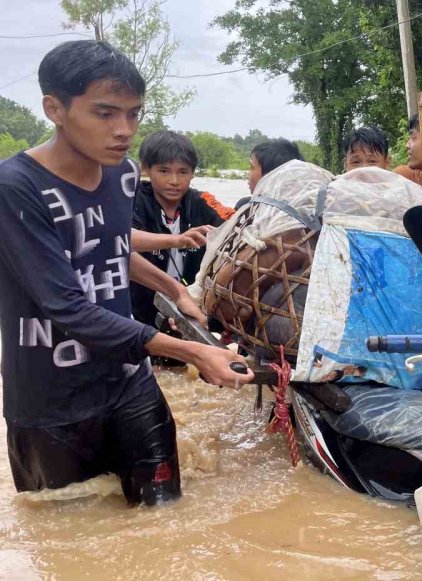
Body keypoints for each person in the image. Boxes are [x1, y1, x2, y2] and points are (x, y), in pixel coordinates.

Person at [0, 40, 253, 507]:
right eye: (105, 113)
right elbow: (67, 307)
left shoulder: (122, 176)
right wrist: (191, 352)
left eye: (133, 114)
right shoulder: (15, 187)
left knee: (164, 521)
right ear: (54, 108)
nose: (124, 130)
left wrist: (177, 290)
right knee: (72, 552)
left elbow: (111, 251)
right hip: (53, 407)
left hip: (130, 385)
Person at [129, 130, 234, 328]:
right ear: (145, 169)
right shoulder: (132, 200)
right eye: (164, 171)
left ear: (193, 173)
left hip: (191, 305)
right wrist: (177, 240)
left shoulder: (203, 201)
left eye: (183, 172)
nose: (174, 181)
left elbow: (237, 223)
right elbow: (120, 239)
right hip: (138, 311)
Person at [236, 138, 303, 210]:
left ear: (270, 175)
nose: (248, 174)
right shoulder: (308, 210)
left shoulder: (246, 207)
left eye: (252, 167)